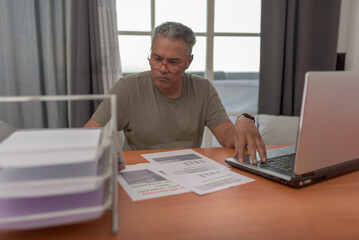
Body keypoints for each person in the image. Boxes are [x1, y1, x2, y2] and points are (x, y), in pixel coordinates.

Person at [84, 21, 267, 165]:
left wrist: (242, 120)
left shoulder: (202, 89)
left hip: (187, 175)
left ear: (189, 61)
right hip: (140, 173)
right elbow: (88, 135)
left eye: (173, 62)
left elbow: (227, 137)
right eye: (156, 58)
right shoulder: (128, 88)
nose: (162, 68)